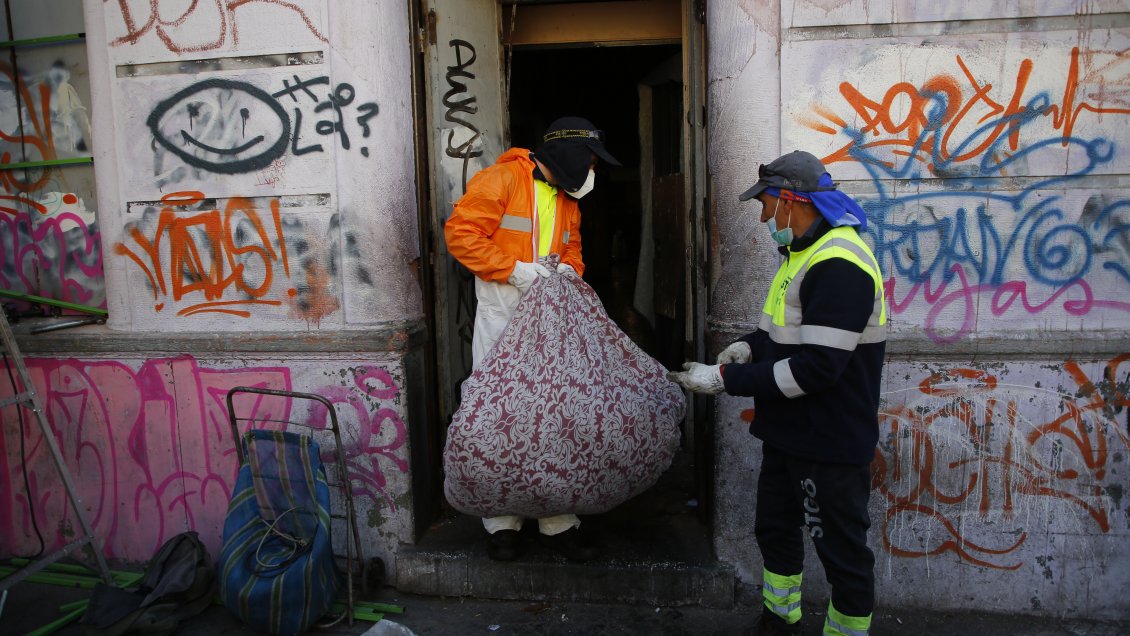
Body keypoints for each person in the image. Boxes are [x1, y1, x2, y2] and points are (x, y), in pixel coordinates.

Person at [667, 150, 887, 635]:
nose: (766, 218)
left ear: (793, 200)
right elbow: (780, 335)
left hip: (828, 441)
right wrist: (746, 348)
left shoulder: (840, 265)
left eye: (768, 206)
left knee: (841, 550)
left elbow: (817, 369)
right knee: (775, 529)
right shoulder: (803, 254)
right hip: (790, 434)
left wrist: (724, 381)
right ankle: (778, 620)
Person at [444, 116, 621, 562]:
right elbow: (461, 235)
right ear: (571, 156)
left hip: (551, 314)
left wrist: (568, 271)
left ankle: (558, 520)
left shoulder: (567, 198)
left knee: (555, 411)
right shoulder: (501, 178)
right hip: (503, 311)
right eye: (592, 162)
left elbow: (573, 247)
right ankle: (502, 522)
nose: (594, 172)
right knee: (499, 412)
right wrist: (514, 270)